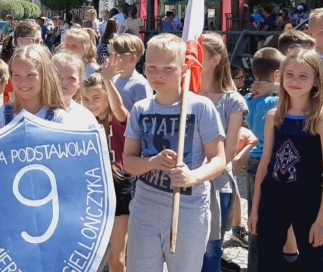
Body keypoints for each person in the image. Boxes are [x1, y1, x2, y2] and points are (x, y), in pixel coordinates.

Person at [123, 33, 226, 272]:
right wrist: (152, 162)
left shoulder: (200, 107)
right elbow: (128, 161)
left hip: (188, 211)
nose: (158, 75)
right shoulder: (140, 109)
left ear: (184, 68)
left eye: (168, 68)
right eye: (151, 67)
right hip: (144, 210)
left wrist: (194, 177)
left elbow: (219, 160)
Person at [248, 49, 323, 272]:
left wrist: (322, 220)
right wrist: (255, 208)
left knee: (311, 262)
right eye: (290, 74)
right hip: (273, 198)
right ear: (280, 76)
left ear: (317, 80)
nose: (295, 81)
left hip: (307, 201)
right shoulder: (273, 116)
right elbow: (265, 164)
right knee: (266, 261)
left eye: (303, 76)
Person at [199, 34, 248, 272]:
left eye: (197, 53)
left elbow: (228, 153)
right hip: (182, 185)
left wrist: (198, 174)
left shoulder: (232, 101)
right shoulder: (183, 95)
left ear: (215, 60)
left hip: (216, 185)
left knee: (211, 249)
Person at [83, 58, 131, 272]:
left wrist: (108, 81)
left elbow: (119, 108)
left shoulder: (118, 120)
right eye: (86, 99)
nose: (91, 103)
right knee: (90, 255)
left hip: (118, 184)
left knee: (116, 258)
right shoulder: (82, 121)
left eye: (96, 98)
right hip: (92, 188)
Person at [243, 47, 285, 271]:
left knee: (254, 218)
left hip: (252, 161)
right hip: (271, 162)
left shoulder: (247, 99)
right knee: (272, 219)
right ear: (277, 75)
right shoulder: (275, 103)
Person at [0, 45, 68, 134]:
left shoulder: (58, 118)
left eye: (31, 75)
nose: (23, 82)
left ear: (44, 76)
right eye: (16, 75)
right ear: (10, 77)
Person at [51, 52, 100, 129]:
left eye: (71, 78)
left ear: (79, 83)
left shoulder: (85, 116)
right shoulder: (35, 110)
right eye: (58, 76)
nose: (64, 82)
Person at [0, 21, 43, 104]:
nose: (39, 46)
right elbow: (14, 101)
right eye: (36, 40)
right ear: (20, 40)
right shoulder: (12, 66)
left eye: (40, 42)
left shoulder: (39, 61)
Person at [110, 34, 153, 113]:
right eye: (110, 55)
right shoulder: (113, 78)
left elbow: (145, 114)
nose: (110, 59)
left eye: (115, 55)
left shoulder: (140, 85)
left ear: (132, 59)